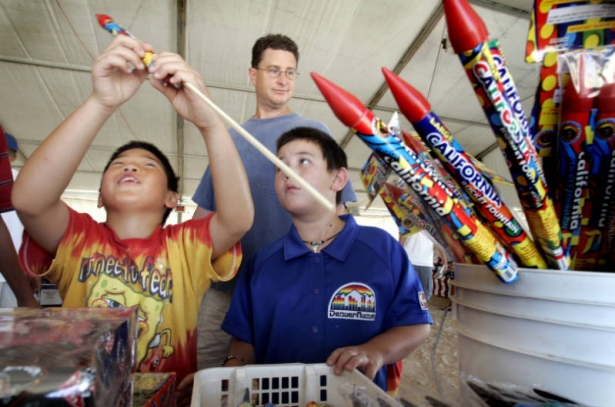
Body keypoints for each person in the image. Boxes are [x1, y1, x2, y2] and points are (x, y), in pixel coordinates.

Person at [12, 36, 254, 407]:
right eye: (118, 164)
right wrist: (101, 101)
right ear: (98, 196)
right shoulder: (77, 236)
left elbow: (238, 218)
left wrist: (209, 123)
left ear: (171, 198)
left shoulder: (184, 246)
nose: (130, 166)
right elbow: (28, 200)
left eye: (148, 165)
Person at [221, 127, 432, 393]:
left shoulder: (383, 249)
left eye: (304, 161)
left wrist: (374, 352)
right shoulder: (261, 262)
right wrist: (230, 373)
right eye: (279, 165)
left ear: (338, 179)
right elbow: (244, 342)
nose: (287, 171)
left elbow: (416, 324)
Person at [192, 33, 356, 369]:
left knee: (285, 383)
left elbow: (340, 212)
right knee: (210, 377)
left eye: (290, 72)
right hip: (226, 291)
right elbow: (202, 218)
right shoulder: (229, 139)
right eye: (274, 70)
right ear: (253, 75)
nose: (283, 80)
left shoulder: (314, 132)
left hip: (297, 292)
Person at [0, 128, 38, 307]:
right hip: (15, 272)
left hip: (14, 272)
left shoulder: (22, 182)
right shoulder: (27, 181)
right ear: (15, 156)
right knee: (12, 330)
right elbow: (34, 228)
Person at [400, 231, 448, 301]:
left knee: (425, 293)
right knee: (406, 290)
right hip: (409, 260)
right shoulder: (408, 222)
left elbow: (438, 245)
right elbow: (401, 239)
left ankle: (421, 310)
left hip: (425, 263)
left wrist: (444, 261)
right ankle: (407, 310)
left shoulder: (432, 226)